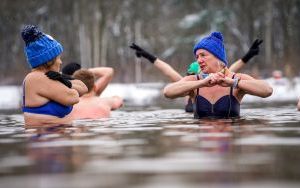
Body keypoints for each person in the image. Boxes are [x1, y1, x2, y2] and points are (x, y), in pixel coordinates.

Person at [129, 38, 263, 112]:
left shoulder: (224, 78)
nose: (199, 71)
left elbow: (232, 68)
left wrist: (248, 55)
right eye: (197, 58)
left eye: (203, 57)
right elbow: (168, 73)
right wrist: (147, 55)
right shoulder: (189, 84)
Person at [163, 31, 273, 118]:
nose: (199, 60)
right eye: (197, 57)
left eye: (203, 55)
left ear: (218, 57)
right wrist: (201, 83)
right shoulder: (194, 80)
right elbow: (168, 92)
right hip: (203, 144)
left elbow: (267, 90)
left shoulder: (235, 78)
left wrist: (234, 83)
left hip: (228, 142)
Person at [21, 25, 88, 126]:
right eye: (58, 58)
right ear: (48, 60)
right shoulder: (35, 78)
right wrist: (65, 83)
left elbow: (84, 88)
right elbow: (73, 97)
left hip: (57, 136)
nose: (61, 62)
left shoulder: (49, 76)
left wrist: (65, 80)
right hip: (46, 137)